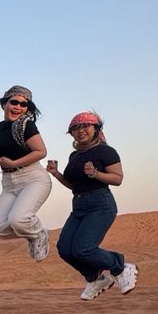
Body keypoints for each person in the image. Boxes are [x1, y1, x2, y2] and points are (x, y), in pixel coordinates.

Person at [48, 111, 138, 299]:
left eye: (85, 126)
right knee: (64, 248)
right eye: (75, 128)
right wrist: (56, 174)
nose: (80, 131)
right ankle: (95, 278)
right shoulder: (74, 156)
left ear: (96, 129)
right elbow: (74, 185)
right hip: (79, 205)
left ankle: (121, 266)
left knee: (83, 249)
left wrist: (96, 173)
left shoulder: (106, 151)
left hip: (100, 204)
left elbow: (117, 178)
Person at [0, 85, 52, 261]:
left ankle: (38, 233)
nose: (18, 107)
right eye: (14, 102)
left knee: (18, 219)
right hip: (9, 183)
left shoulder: (26, 126)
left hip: (33, 178)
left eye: (23, 104)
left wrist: (14, 163)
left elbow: (40, 151)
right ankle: (33, 234)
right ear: (4, 103)